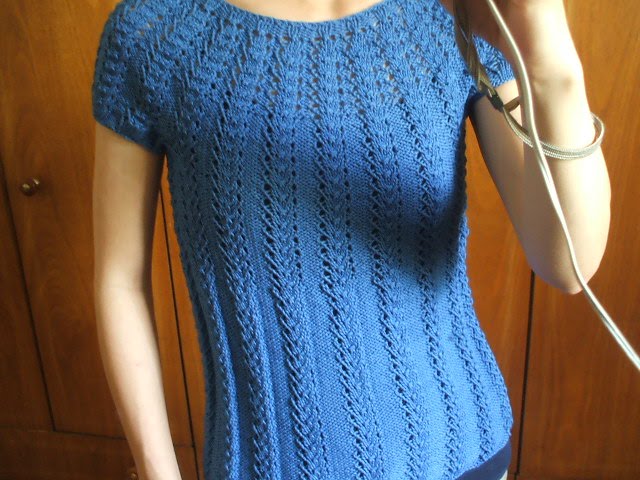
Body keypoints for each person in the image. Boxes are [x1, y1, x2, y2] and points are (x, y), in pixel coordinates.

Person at [91, 0, 610, 479]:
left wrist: (550, 63)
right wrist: (157, 470)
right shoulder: (156, 30)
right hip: (265, 464)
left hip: (462, 452)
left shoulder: (457, 11)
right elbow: (120, 280)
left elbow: (568, 265)